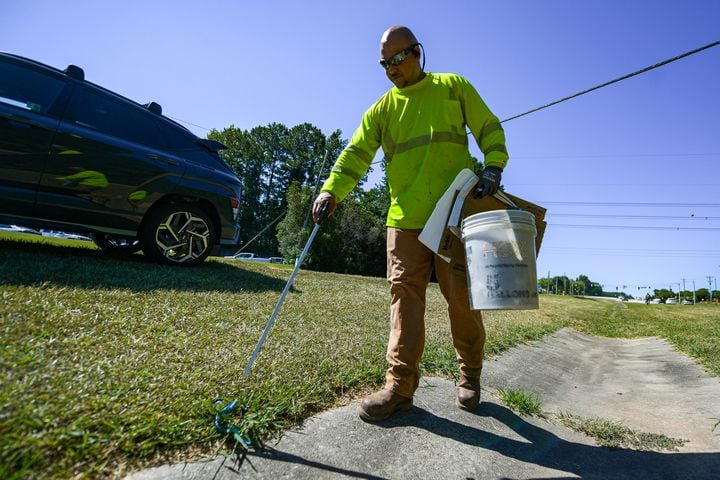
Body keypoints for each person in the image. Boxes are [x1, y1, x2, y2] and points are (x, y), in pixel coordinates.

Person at [312, 25, 509, 422]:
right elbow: (355, 155)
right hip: (404, 221)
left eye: (397, 59)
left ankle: (470, 374)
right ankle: (399, 387)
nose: (391, 69)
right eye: (384, 63)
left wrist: (493, 164)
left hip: (454, 216)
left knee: (462, 299)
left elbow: (489, 127)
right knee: (404, 300)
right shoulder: (382, 109)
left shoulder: (453, 87)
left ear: (417, 52)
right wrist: (331, 190)